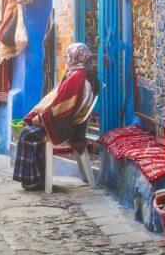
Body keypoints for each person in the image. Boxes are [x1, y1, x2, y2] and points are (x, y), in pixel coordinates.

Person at [13, 42, 100, 191]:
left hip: (68, 127)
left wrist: (40, 118)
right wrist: (38, 114)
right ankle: (36, 177)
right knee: (31, 130)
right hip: (75, 125)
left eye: (68, 55)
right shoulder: (89, 75)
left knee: (26, 133)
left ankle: (34, 180)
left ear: (76, 56)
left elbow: (61, 106)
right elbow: (59, 101)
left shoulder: (77, 78)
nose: (67, 58)